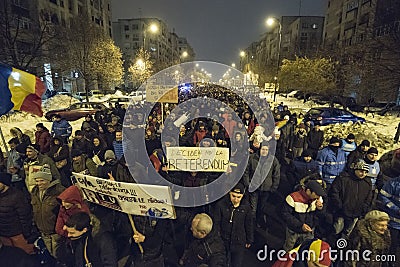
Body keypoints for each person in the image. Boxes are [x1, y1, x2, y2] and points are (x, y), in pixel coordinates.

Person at [328, 159, 373, 238]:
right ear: (355, 169)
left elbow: (369, 197)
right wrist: (339, 206)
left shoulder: (367, 182)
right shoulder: (343, 178)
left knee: (348, 232)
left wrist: (364, 208)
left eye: (366, 172)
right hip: (341, 212)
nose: (363, 174)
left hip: (356, 213)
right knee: (336, 230)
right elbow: (334, 192)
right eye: (361, 171)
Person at [213, 183, 253, 267]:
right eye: (233, 196)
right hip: (223, 240)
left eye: (239, 197)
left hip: (239, 241)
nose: (236, 199)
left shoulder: (246, 207)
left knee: (236, 264)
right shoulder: (221, 205)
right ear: (229, 193)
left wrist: (249, 239)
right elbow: (216, 223)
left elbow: (248, 224)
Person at [243, 143, 280, 228]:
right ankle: (251, 225)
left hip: (266, 189)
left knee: (262, 207)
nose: (264, 151)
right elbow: (246, 172)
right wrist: (248, 184)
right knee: (253, 208)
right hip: (254, 188)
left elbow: (276, 174)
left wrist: (273, 187)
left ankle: (259, 223)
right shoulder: (252, 158)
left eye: (266, 150)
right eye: (263, 149)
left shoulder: (273, 160)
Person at [31, 165, 65, 258]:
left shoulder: (59, 191)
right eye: (37, 181)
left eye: (42, 180)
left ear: (49, 180)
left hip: (56, 232)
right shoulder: (34, 192)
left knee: (58, 255)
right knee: (50, 254)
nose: (39, 183)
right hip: (43, 231)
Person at [281, 180, 326, 251]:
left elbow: (320, 216)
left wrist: (320, 209)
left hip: (309, 232)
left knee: (305, 250)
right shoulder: (293, 198)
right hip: (294, 231)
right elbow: (286, 215)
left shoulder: (318, 199)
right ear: (308, 191)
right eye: (316, 194)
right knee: (289, 249)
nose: (318, 196)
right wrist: (300, 225)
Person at [0, 172, 38, 254]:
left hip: (17, 234)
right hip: (3, 235)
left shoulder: (17, 196)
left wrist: (26, 233)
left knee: (24, 254)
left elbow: (25, 216)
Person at [379, 177, 400, 260]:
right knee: (391, 247)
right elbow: (383, 197)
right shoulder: (393, 183)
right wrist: (396, 209)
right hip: (393, 224)